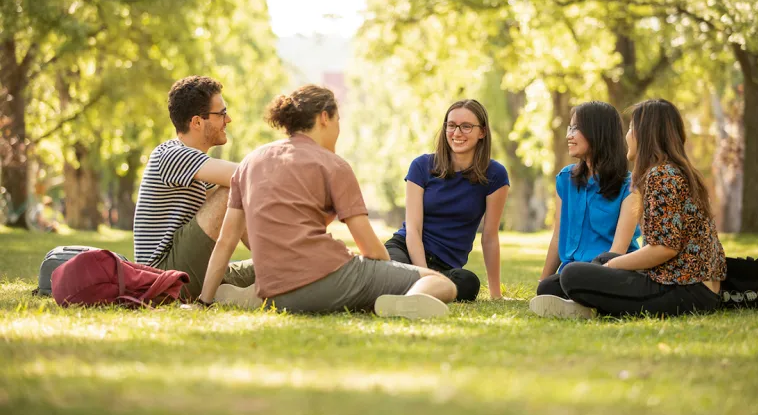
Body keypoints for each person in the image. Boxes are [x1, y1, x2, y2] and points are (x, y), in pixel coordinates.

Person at [197, 85, 457, 319]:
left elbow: (226, 240)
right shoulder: (334, 165)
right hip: (326, 278)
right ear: (324, 117)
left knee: (342, 274)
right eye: (338, 120)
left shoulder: (251, 162)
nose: (339, 129)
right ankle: (406, 303)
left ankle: (253, 296)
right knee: (442, 283)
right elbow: (370, 248)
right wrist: (386, 271)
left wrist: (203, 301)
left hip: (275, 290)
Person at [530, 99, 726, 318]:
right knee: (564, 279)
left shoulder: (661, 176)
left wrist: (609, 268)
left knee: (573, 274)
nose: (627, 135)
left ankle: (591, 306)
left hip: (684, 289)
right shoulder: (669, 172)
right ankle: (586, 303)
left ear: (646, 133)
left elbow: (664, 248)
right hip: (686, 284)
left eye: (632, 128)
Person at [133, 76, 254, 299]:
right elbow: (246, 176)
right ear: (197, 122)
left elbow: (236, 212)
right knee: (233, 187)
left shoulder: (197, 167)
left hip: (192, 268)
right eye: (222, 113)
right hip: (163, 277)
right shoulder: (171, 154)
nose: (229, 119)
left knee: (270, 267)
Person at [384, 100, 510, 301]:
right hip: (406, 251)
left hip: (445, 267)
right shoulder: (421, 166)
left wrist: (496, 295)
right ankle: (415, 293)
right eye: (451, 126)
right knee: (392, 269)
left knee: (468, 283)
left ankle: (407, 294)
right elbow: (413, 230)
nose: (457, 133)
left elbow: (489, 236)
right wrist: (425, 275)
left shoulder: (495, 175)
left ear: (482, 132)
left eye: (466, 126)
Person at [536, 101, 641, 299]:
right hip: (571, 273)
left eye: (576, 128)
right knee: (549, 287)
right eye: (570, 128)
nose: (569, 135)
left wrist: (589, 275)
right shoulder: (565, 179)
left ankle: (583, 300)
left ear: (597, 132)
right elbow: (558, 237)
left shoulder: (630, 187)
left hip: (610, 270)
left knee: (573, 277)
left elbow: (617, 251)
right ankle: (578, 300)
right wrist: (541, 284)